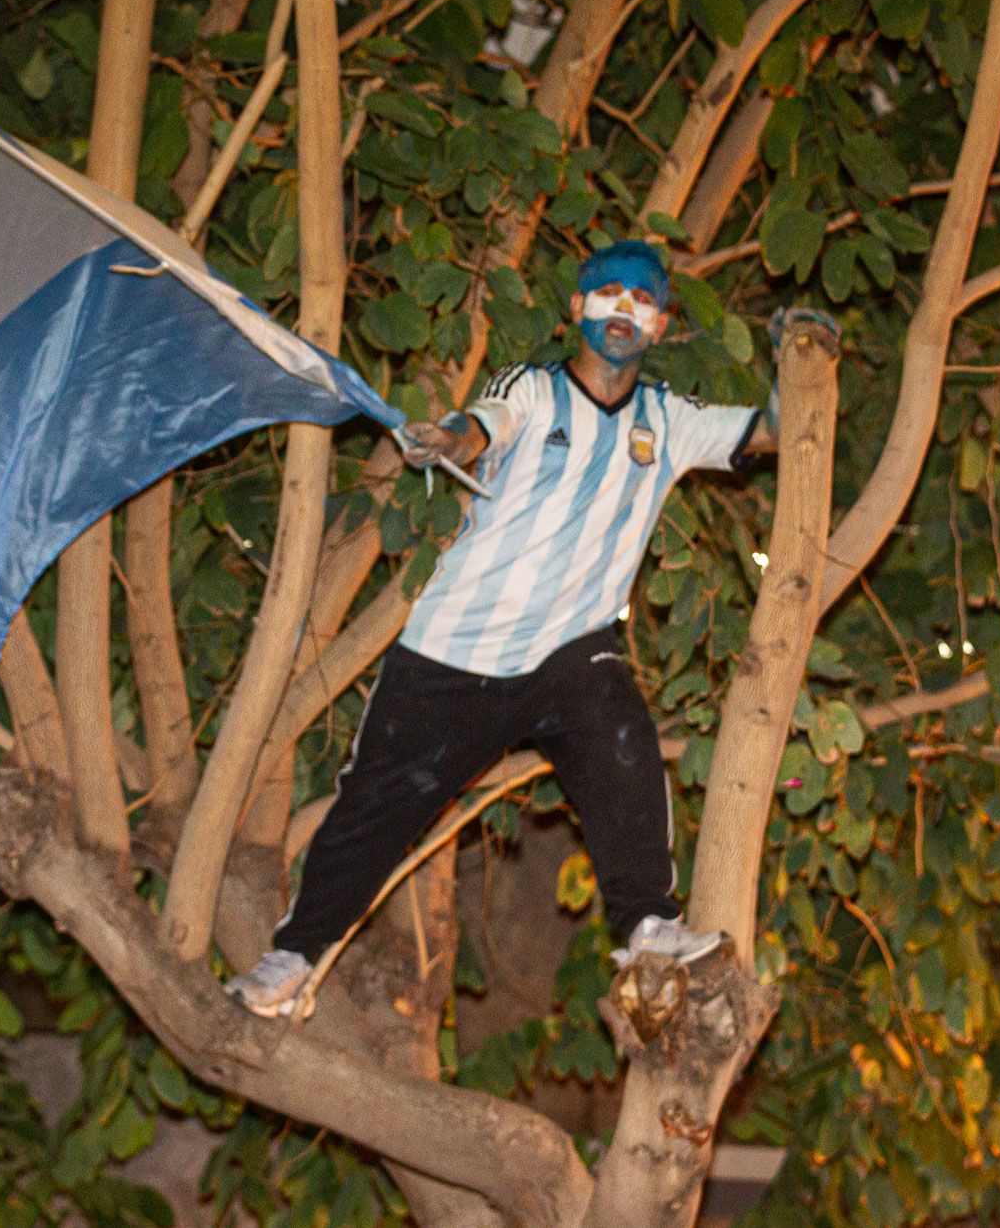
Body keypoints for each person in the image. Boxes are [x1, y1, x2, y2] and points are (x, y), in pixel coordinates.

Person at [227, 240, 777, 1017]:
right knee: (372, 811)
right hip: (458, 650)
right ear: (578, 308)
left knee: (625, 743)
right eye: (609, 292)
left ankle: (648, 924)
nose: (625, 307)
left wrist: (805, 368)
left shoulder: (668, 420)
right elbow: (483, 423)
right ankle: (292, 957)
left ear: (659, 326)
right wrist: (450, 440)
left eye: (644, 298)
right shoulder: (536, 388)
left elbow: (770, 431)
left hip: (569, 647)